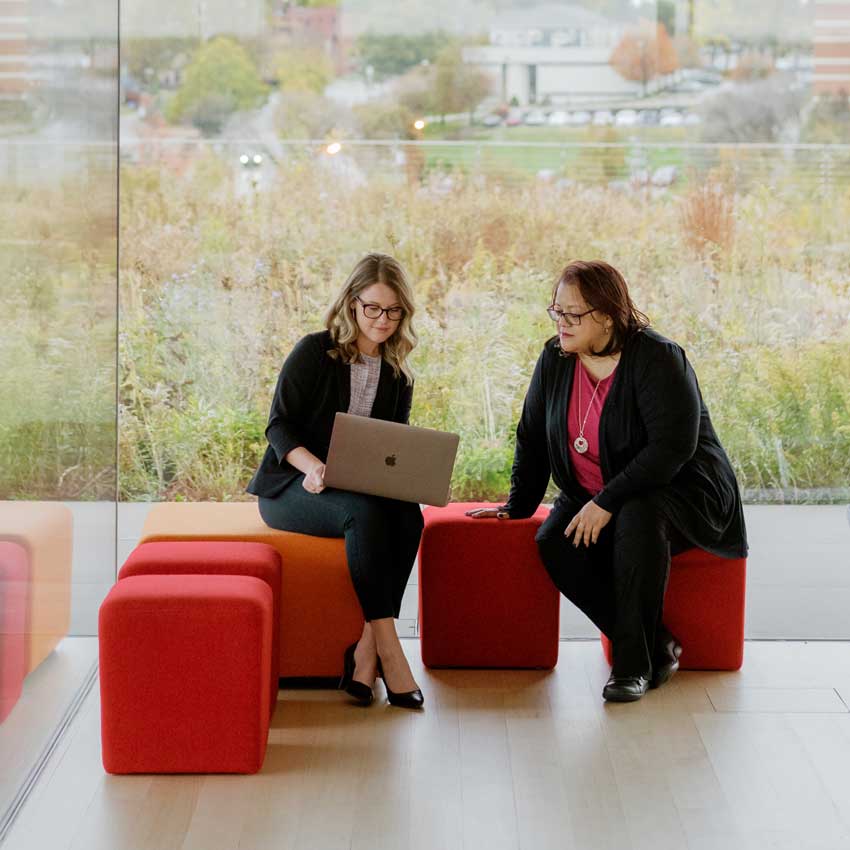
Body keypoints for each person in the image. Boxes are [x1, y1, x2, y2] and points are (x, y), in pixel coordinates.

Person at [467, 260, 747, 702]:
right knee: (552, 540)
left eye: (573, 314)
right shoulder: (555, 359)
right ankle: (655, 643)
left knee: (637, 513)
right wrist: (517, 505)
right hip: (595, 492)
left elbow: (672, 448)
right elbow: (532, 435)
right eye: (556, 311)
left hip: (678, 489)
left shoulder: (657, 357)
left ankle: (632, 666)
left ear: (609, 314)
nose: (562, 322)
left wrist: (607, 502)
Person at [247, 252, 424, 709]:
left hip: (354, 485)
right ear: (351, 303)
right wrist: (313, 468)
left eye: (393, 311)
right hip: (291, 485)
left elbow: (389, 446)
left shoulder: (398, 374)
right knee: (361, 514)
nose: (382, 320)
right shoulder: (314, 351)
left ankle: (365, 651)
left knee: (409, 518)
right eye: (373, 308)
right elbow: (278, 426)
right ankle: (390, 650)